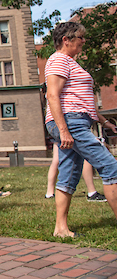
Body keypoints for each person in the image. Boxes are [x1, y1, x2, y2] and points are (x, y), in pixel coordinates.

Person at [44, 21, 117, 238]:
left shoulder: (68, 61)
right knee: (111, 166)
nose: (84, 41)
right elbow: (52, 95)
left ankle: (61, 228)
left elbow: (84, 102)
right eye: (80, 37)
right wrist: (64, 130)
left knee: (68, 174)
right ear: (66, 39)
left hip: (75, 121)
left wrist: (104, 122)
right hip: (70, 122)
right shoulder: (59, 60)